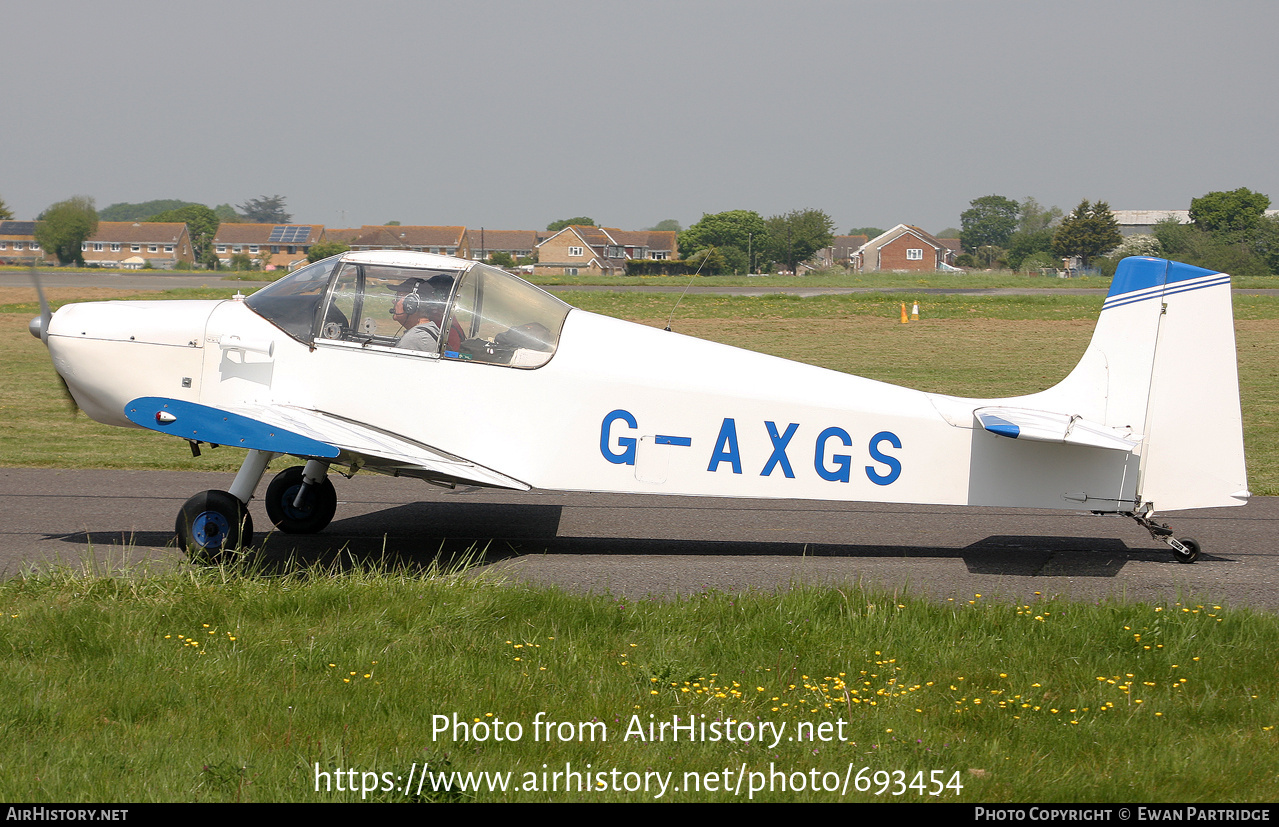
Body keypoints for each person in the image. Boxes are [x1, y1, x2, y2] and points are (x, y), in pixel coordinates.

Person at [388, 277, 444, 351]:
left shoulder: (414, 340)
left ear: (411, 304)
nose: (393, 301)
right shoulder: (428, 330)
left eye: (398, 298)